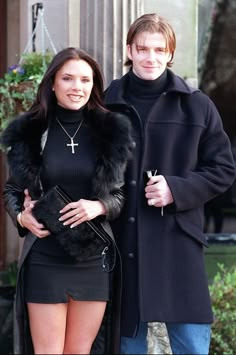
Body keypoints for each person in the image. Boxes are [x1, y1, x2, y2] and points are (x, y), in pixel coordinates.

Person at [104, 13, 236, 355]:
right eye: (143, 48)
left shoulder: (197, 106)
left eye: (159, 49)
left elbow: (223, 168)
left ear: (170, 53)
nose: (151, 57)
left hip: (178, 245)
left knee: (191, 347)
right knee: (126, 347)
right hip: (123, 246)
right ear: (130, 50)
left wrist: (176, 190)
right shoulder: (105, 104)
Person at [1, 47, 131, 354]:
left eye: (85, 80)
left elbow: (120, 195)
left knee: (80, 351)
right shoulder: (30, 132)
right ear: (53, 83)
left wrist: (98, 206)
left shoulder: (110, 131)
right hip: (45, 258)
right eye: (68, 78)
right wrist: (21, 217)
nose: (78, 87)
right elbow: (11, 192)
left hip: (93, 259)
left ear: (94, 85)